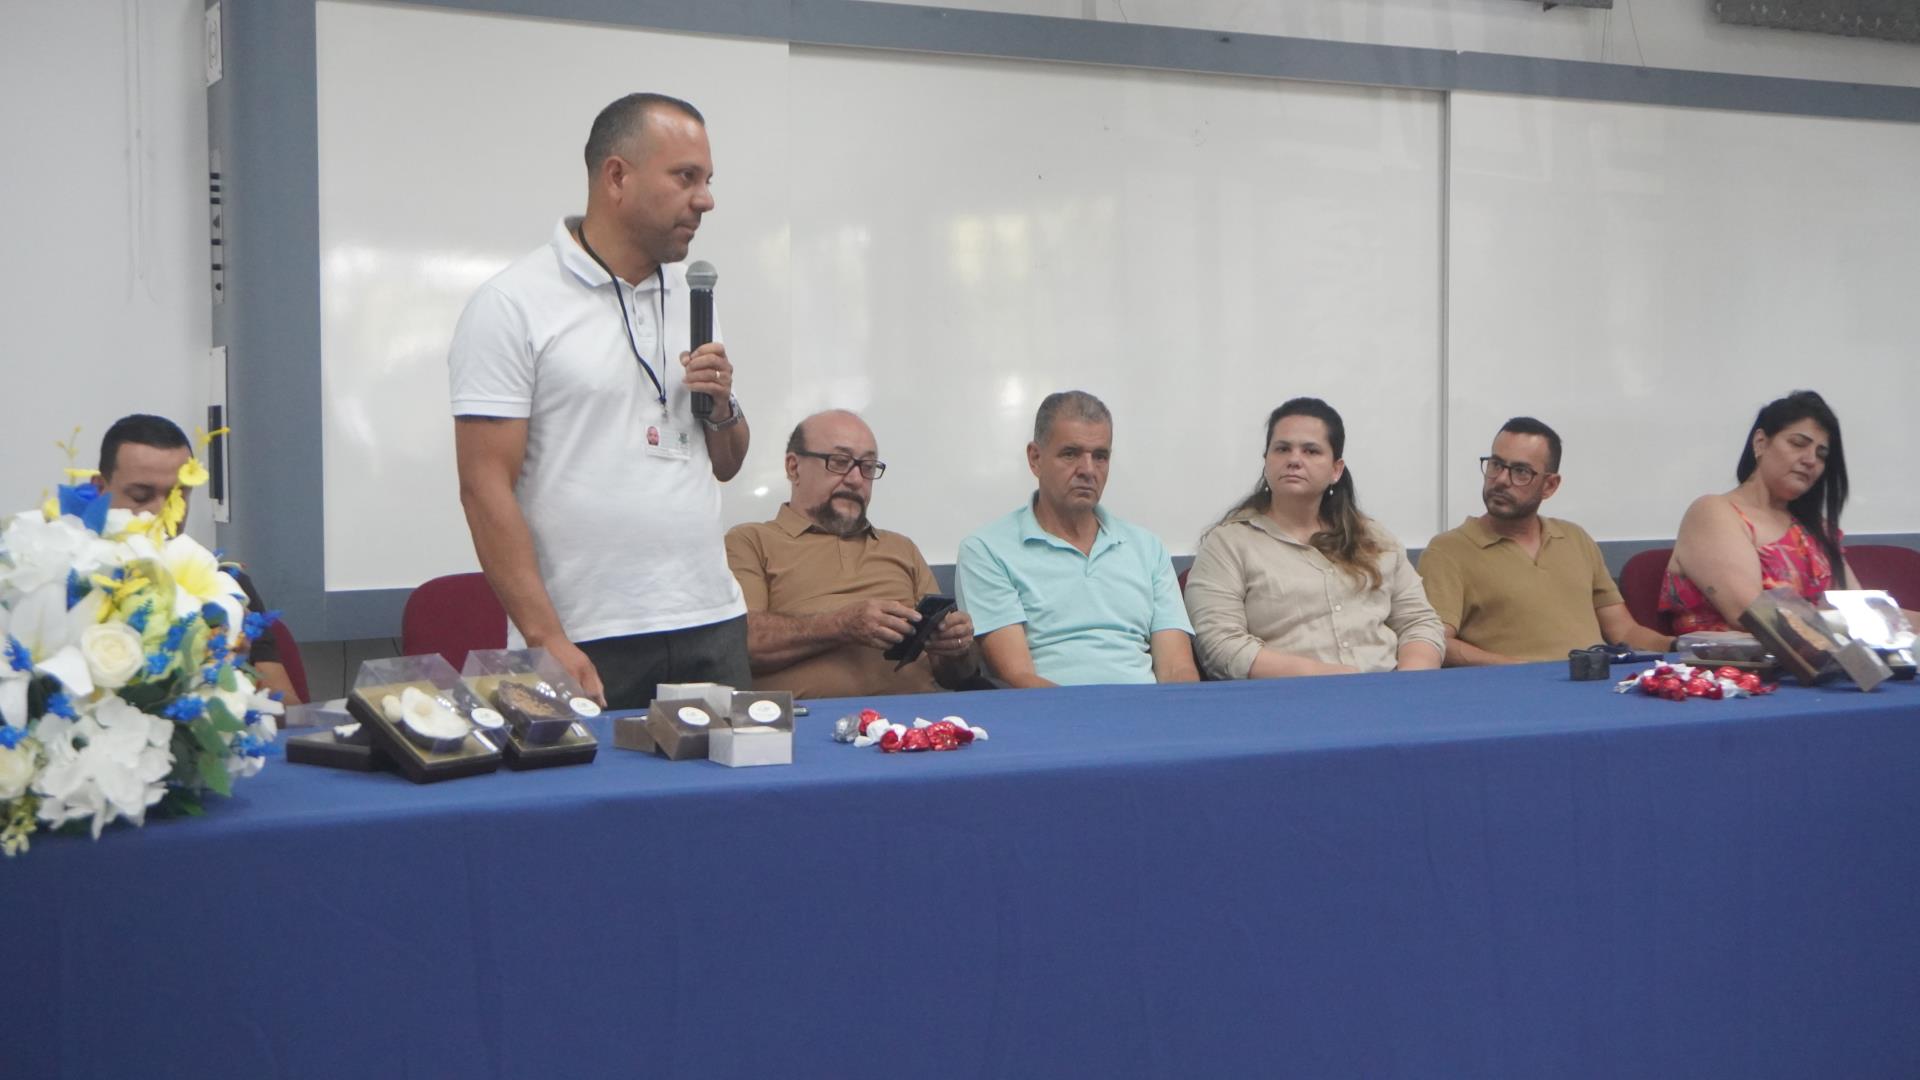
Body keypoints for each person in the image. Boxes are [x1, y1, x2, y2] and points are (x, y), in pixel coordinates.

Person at [448, 93, 750, 709]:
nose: (706, 200)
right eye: (685, 177)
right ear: (617, 176)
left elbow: (726, 462)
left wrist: (722, 405)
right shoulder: (512, 304)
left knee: (736, 777)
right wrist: (545, 637)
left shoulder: (693, 296)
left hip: (710, 619)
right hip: (585, 634)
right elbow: (483, 487)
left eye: (708, 180)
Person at [725, 410, 980, 697]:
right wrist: (841, 625)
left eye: (868, 466)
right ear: (794, 468)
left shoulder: (901, 548)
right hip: (810, 719)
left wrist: (957, 647)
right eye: (840, 462)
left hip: (917, 718)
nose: (856, 479)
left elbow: (954, 676)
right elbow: (742, 645)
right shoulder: (750, 541)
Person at [1184, 398, 1443, 678]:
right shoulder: (1229, 543)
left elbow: (1419, 622)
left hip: (1389, 688)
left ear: (1336, 470)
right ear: (1266, 462)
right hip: (1289, 695)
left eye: (1311, 451)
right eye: (1282, 449)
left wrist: (1410, 681)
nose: (1294, 460)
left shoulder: (1375, 538)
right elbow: (1221, 646)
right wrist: (1331, 677)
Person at [955, 391, 1198, 688]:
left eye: (1100, 456)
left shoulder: (1148, 548)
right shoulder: (987, 550)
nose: (1088, 470)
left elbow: (1177, 669)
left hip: (1146, 710)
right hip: (1052, 712)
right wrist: (1095, 715)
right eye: (1070, 454)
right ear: (1035, 459)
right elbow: (1018, 677)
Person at [1418, 418, 1673, 664]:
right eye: (1496, 465)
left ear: (1549, 485)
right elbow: (1435, 642)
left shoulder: (1575, 538)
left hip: (1595, 682)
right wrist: (1520, 669)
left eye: (1520, 472)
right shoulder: (1449, 550)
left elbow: (1625, 632)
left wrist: (1679, 645)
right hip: (1514, 687)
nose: (1502, 480)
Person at [92, 414, 302, 703]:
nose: (164, 513)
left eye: (178, 496)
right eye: (141, 496)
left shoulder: (224, 584)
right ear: (99, 490)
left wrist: (237, 670)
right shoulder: (70, 577)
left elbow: (288, 709)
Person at [1661, 390, 1860, 632]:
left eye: (1821, 454)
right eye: (1798, 444)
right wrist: (1844, 623)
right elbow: (1754, 614)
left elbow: (1859, 611)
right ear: (1761, 443)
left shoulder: (1815, 528)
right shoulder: (1713, 512)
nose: (1810, 460)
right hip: (1736, 656)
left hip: (1820, 653)